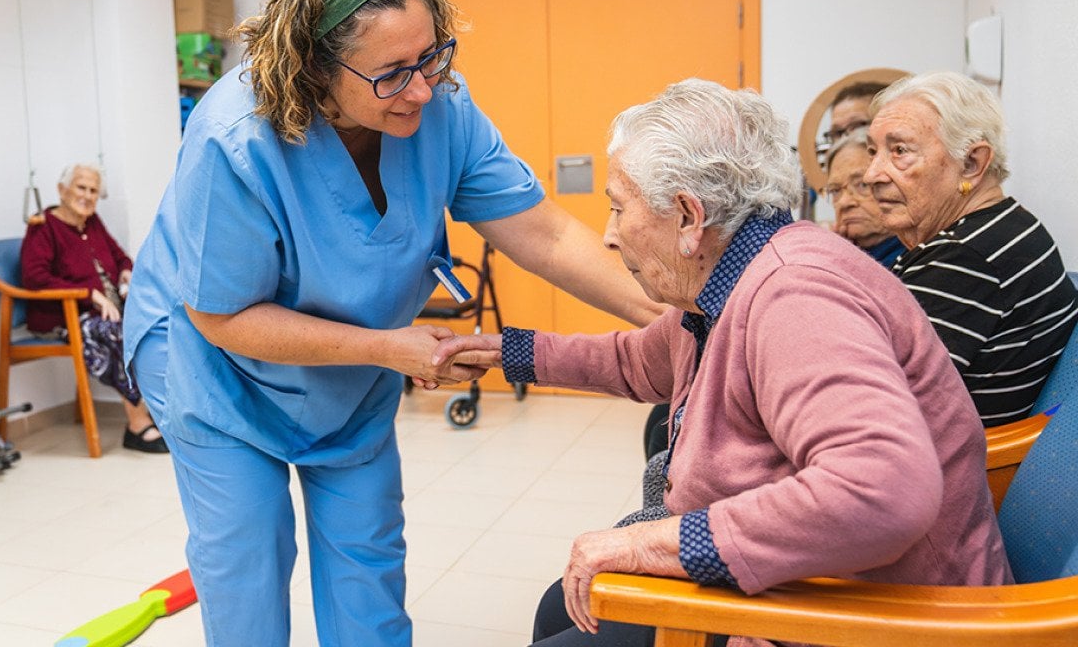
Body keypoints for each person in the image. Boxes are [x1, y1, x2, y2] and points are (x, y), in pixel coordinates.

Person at [122, 0, 661, 645]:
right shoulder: (234, 140)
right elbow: (222, 316)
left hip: (357, 368)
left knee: (367, 571)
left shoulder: (441, 106)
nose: (422, 88)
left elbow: (545, 232)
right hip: (220, 367)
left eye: (432, 55)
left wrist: (670, 316)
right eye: (392, 72)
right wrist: (383, 345)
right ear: (315, 66)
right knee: (247, 562)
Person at [434, 79, 1011, 646]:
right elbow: (639, 361)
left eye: (618, 208)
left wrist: (653, 544)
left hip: (868, 611)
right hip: (803, 580)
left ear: (688, 218)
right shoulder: (733, 277)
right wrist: (504, 353)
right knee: (560, 605)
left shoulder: (795, 297)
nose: (609, 237)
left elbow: (882, 490)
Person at [865, 71, 1078, 426]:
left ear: (972, 164)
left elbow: (874, 404)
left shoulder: (967, 256)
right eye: (873, 152)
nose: (872, 174)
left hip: (948, 471)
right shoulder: (1002, 226)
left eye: (899, 151)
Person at [20, 163, 167, 453]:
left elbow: (120, 256)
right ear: (62, 190)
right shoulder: (43, 226)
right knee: (118, 333)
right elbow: (34, 277)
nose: (87, 196)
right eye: (81, 187)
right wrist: (91, 295)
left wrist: (125, 272)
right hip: (64, 317)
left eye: (93, 190)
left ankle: (162, 412)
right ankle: (137, 424)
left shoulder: (92, 222)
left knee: (157, 326)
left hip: (107, 308)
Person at [823, 127, 904, 267]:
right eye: (835, 191)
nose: (844, 202)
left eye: (862, 185)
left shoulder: (919, 260)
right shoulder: (835, 255)